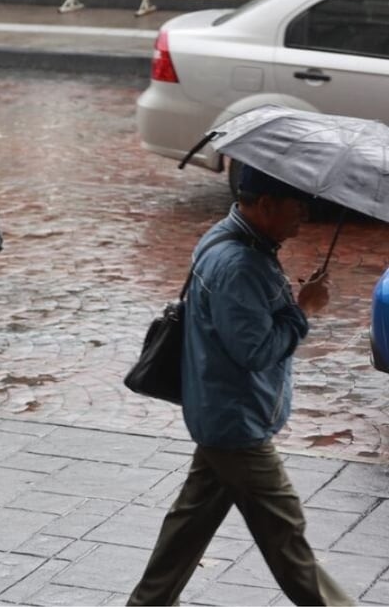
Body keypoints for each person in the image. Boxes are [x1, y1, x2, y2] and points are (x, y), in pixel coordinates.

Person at [128, 166, 353, 606]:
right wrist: (302, 310)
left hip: (218, 411)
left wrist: (289, 303)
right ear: (266, 204)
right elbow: (255, 352)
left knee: (188, 525)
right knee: (286, 535)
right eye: (296, 205)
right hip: (237, 423)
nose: (303, 216)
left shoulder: (233, 239)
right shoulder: (241, 263)